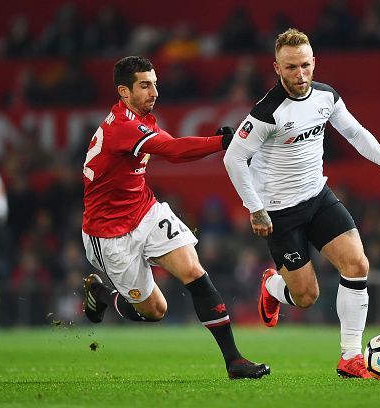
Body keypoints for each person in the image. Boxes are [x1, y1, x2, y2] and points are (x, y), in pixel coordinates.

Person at [223, 29, 380, 379]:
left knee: (357, 264)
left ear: (314, 63)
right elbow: (234, 159)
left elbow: (355, 132)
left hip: (318, 197)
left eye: (305, 65)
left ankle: (349, 357)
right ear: (276, 68)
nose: (300, 75)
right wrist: (255, 208)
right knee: (306, 297)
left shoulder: (325, 96)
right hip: (280, 212)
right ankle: (272, 285)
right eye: (291, 68)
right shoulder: (267, 112)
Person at [81, 56, 269, 380]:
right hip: (108, 233)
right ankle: (102, 297)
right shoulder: (122, 127)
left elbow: (170, 147)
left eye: (154, 83)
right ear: (123, 91)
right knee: (155, 310)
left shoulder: (141, 119)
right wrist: (223, 142)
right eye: (144, 85)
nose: (154, 91)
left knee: (193, 270)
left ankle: (234, 361)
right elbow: (175, 151)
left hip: (144, 210)